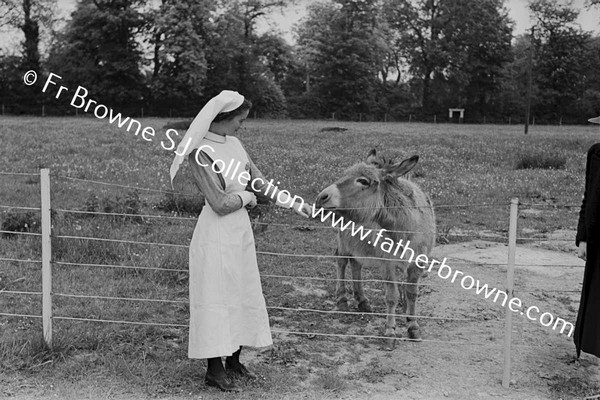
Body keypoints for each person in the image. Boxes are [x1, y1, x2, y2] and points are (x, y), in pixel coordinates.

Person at [169, 90, 311, 392]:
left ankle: (234, 360)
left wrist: (295, 203)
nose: (242, 126)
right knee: (216, 297)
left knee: (241, 291)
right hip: (215, 234)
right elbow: (220, 203)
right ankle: (213, 369)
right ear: (222, 118)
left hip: (240, 232)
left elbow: (260, 183)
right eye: (240, 120)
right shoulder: (200, 151)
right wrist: (248, 197)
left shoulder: (235, 144)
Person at [575, 115, 600, 359]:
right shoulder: (595, 153)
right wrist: (582, 238)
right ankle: (590, 349)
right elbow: (588, 196)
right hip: (596, 236)